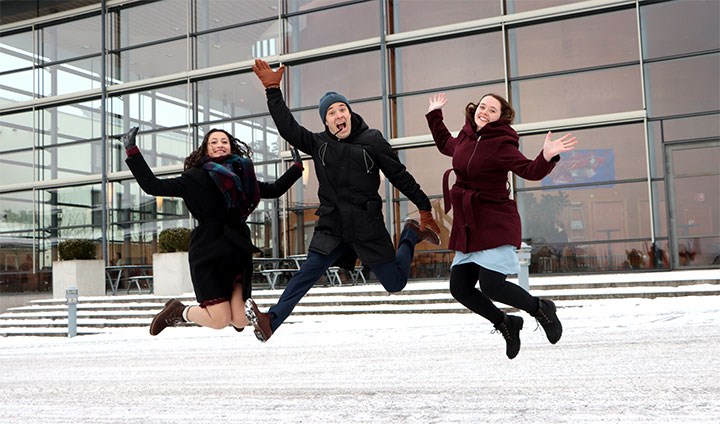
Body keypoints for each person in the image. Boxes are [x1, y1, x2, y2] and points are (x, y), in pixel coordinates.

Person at [244, 59, 442, 342]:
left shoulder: (372, 140)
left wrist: (423, 207)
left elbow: (399, 175)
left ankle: (410, 234)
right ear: (325, 121)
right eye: (332, 112)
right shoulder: (319, 144)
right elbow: (288, 128)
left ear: (350, 114)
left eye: (342, 109)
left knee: (395, 283)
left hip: (367, 226)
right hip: (333, 226)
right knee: (306, 275)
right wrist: (273, 90)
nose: (339, 115)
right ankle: (271, 321)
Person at [425, 92, 578, 359]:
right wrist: (435, 114)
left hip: (494, 221)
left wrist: (547, 156)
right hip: (469, 226)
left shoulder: (502, 144)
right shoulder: (465, 137)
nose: (484, 111)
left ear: (500, 118)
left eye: (492, 110)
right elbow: (444, 143)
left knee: (491, 285)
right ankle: (506, 323)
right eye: (482, 106)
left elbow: (530, 171)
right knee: (459, 288)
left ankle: (541, 309)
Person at [120, 126, 303, 336]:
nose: (219, 145)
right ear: (206, 149)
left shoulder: (244, 178)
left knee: (241, 320)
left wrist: (297, 167)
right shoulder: (194, 177)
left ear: (231, 147)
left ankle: (235, 313)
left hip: (237, 250)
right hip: (209, 251)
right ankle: (180, 311)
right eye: (213, 142)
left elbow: (275, 189)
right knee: (219, 320)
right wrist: (132, 151)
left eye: (224, 141)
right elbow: (153, 186)